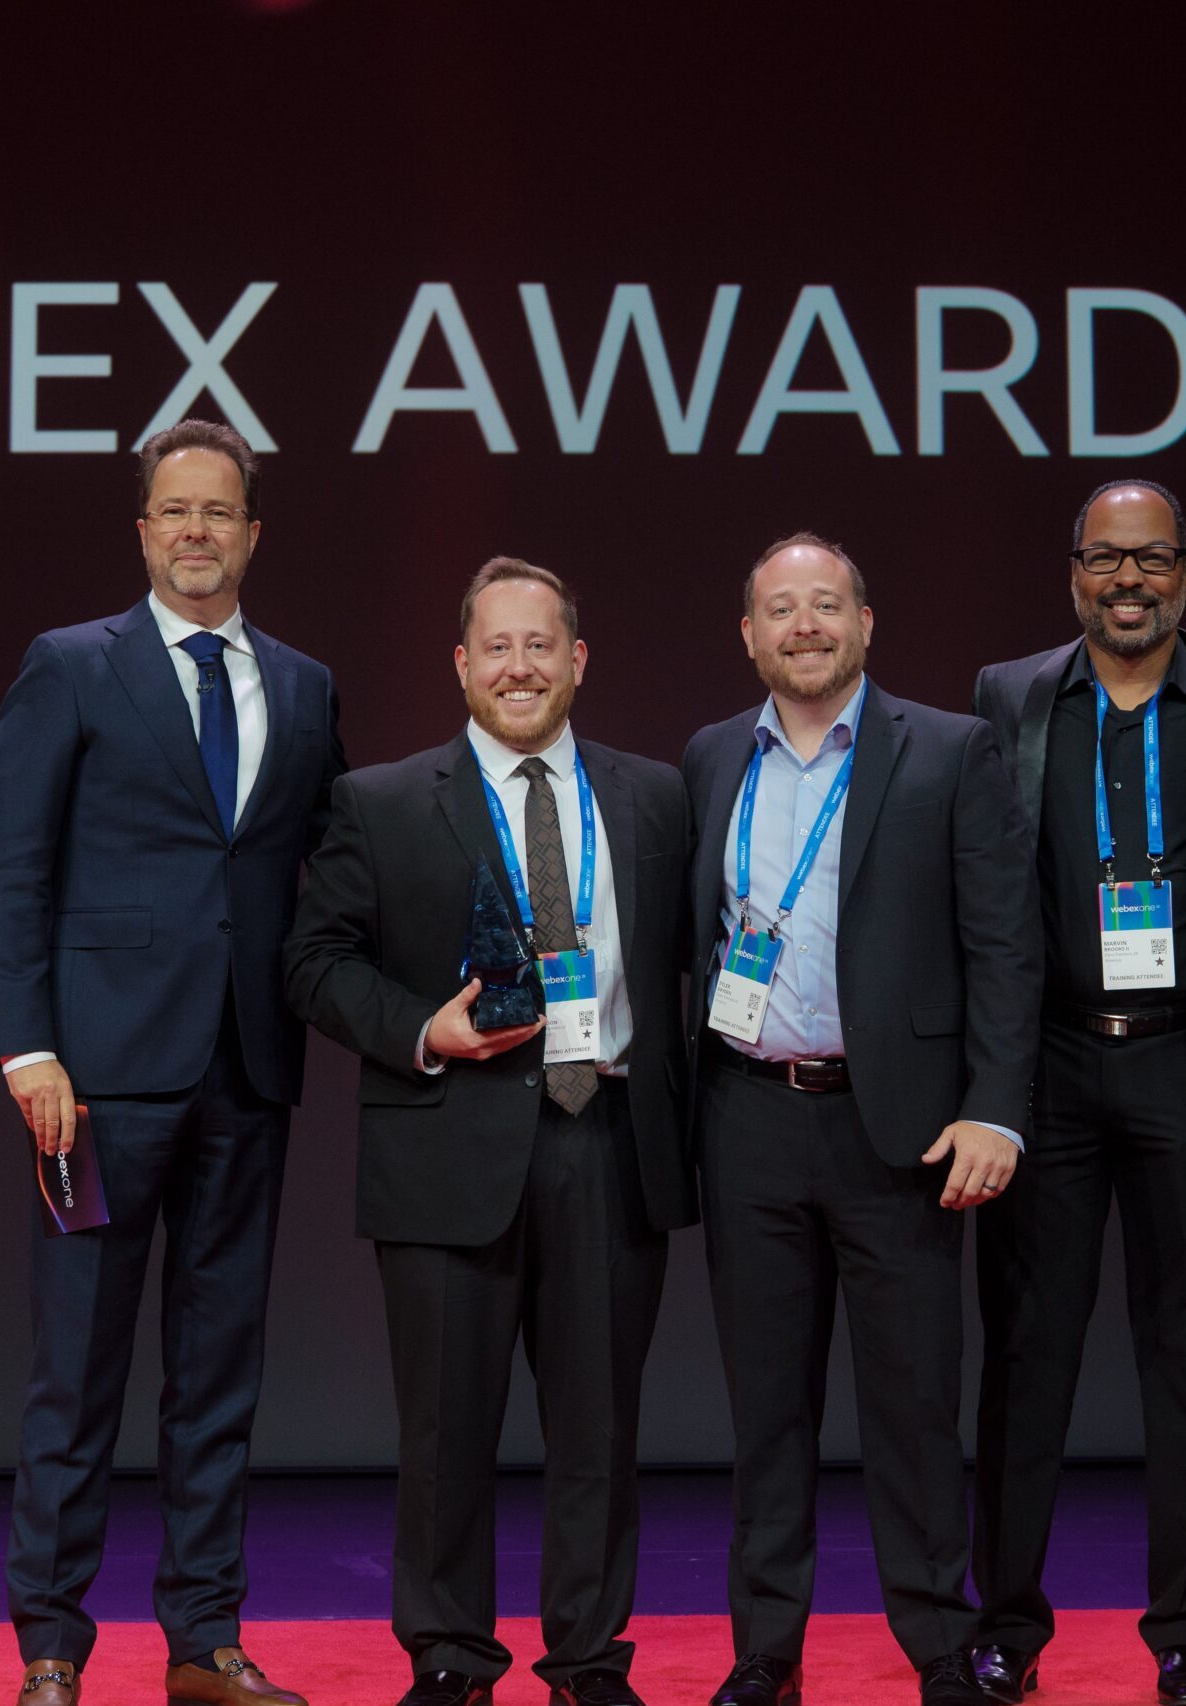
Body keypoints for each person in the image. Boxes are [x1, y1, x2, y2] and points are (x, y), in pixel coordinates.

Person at [0, 420, 345, 1706]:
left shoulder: (302, 686)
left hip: (246, 1069)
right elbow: (7, 867)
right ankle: (53, 1649)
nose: (195, 531)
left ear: (251, 533)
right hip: (96, 1081)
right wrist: (27, 1044)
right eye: (172, 511)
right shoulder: (70, 667)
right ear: (143, 532)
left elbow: (331, 874)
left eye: (218, 511)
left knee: (218, 1369)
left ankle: (204, 1641)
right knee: (76, 1370)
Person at [283, 559, 697, 1706]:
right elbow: (312, 964)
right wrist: (422, 1028)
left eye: (540, 644)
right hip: (444, 1146)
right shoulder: (382, 799)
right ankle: (452, 1655)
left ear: (578, 659)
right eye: (495, 647)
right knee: (443, 1437)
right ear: (462, 665)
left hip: (609, 1146)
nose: (519, 666)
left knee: (598, 1437)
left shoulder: (657, 795)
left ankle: (588, 1659)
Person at [684, 533, 1042, 1706]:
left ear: (866, 621)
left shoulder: (947, 748)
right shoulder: (706, 760)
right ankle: (764, 1655)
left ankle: (941, 1647)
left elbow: (1003, 943)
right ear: (747, 634)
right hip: (749, 1117)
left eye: (824, 604)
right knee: (766, 1414)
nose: (803, 625)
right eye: (778, 608)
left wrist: (996, 1103)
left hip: (900, 1131)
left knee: (912, 1409)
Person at [967, 480, 1186, 1706]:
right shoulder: (1011, 697)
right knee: (1027, 1356)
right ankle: (1007, 1629)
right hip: (1054, 1065)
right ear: (1071, 570)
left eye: (1149, 560)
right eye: (1102, 560)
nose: (1125, 581)